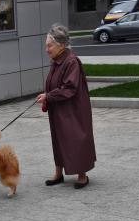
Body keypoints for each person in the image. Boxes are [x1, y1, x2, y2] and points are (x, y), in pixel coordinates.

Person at [36, 23, 96, 189]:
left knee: (76, 139)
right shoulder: (57, 61)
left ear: (61, 45)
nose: (47, 49)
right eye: (46, 46)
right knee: (58, 139)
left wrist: (48, 95)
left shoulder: (71, 62)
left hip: (73, 110)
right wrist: (47, 96)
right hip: (59, 109)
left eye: (49, 46)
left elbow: (69, 88)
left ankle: (82, 175)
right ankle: (58, 172)